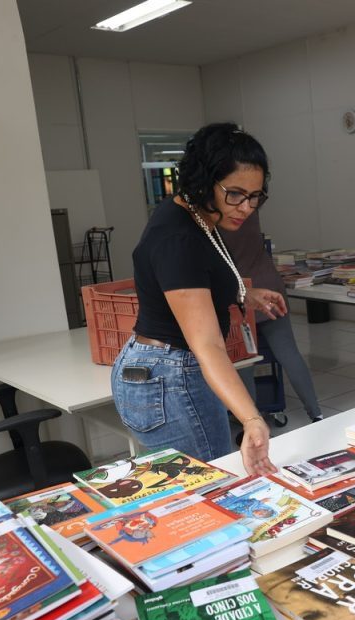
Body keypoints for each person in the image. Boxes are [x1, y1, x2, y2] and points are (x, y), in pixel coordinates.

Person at [111, 122, 286, 476]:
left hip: (162, 366)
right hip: (172, 375)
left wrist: (244, 294)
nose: (246, 207)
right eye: (235, 194)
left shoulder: (193, 213)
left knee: (202, 480)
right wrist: (251, 418)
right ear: (205, 181)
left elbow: (194, 280)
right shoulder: (180, 238)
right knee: (211, 483)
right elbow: (207, 345)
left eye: (255, 196)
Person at [219, 207, 323, 423]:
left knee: (245, 360)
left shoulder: (210, 218)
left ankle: (250, 420)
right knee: (289, 354)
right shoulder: (248, 208)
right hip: (269, 286)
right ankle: (316, 413)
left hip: (240, 295)